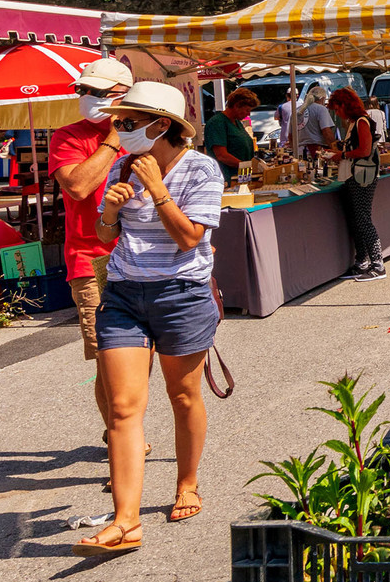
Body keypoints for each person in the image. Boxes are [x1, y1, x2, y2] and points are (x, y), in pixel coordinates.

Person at [76, 82, 225, 555]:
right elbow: (104, 237)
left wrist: (159, 192)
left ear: (162, 125)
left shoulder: (203, 170)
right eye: (118, 122)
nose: (119, 131)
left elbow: (188, 240)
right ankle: (125, 522)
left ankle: (187, 482)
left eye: (128, 123)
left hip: (181, 294)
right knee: (122, 407)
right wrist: (111, 211)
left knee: (183, 395)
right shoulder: (121, 166)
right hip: (123, 294)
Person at [49, 54, 137, 436]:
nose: (87, 96)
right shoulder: (68, 136)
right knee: (109, 358)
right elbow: (79, 185)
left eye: (97, 91)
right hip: (92, 260)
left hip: (142, 255)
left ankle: (122, 427)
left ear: (124, 95)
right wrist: (114, 140)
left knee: (140, 359)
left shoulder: (148, 133)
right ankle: (122, 440)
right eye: (83, 89)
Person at [328, 86, 385, 279]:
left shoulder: (362, 121)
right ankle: (362, 261)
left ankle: (377, 264)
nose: (336, 113)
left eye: (337, 109)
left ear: (345, 105)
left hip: (362, 177)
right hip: (355, 176)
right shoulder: (355, 123)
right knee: (357, 220)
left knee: (363, 220)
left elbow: (364, 150)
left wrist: (342, 154)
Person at [204, 87, 259, 179]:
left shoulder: (236, 122)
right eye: (247, 110)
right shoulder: (217, 123)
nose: (248, 114)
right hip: (227, 178)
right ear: (237, 106)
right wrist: (246, 166)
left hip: (241, 176)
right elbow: (222, 155)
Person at [299, 81, 339, 155]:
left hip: (298, 151)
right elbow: (327, 132)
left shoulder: (297, 110)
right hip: (316, 151)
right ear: (323, 98)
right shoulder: (321, 109)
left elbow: (290, 136)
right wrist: (336, 150)